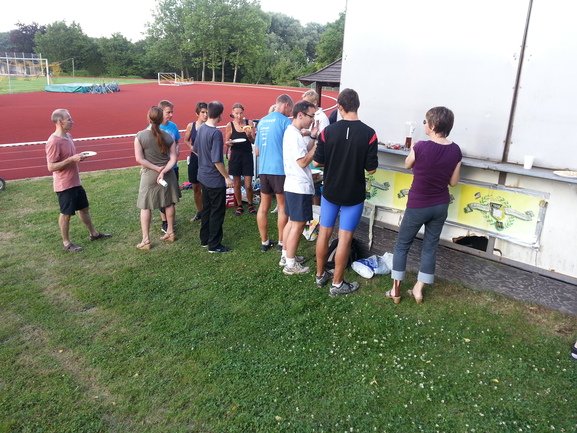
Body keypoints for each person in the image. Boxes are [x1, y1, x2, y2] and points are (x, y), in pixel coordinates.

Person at [387, 106, 462, 303]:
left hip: (418, 205)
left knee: (402, 245)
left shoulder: (420, 146)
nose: (424, 125)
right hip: (440, 205)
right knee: (430, 247)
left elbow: (407, 164)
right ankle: (418, 290)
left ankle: (395, 290)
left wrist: (414, 150)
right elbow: (453, 182)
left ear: (433, 126)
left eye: (425, 122)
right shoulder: (455, 150)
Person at [313, 89, 379, 296]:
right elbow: (372, 169)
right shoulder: (369, 133)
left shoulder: (327, 132)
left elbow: (317, 162)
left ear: (340, 107)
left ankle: (320, 275)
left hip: (330, 191)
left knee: (324, 233)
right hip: (353, 194)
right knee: (344, 239)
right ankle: (337, 283)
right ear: (357, 106)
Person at [45, 109, 112, 252]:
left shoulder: (68, 136)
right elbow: (51, 166)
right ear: (59, 121)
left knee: (84, 208)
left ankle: (93, 234)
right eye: (68, 119)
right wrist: (71, 159)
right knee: (66, 214)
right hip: (64, 184)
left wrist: (78, 156)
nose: (72, 121)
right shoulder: (53, 142)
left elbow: (69, 157)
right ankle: (66, 243)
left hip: (75, 181)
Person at [280, 100, 319, 275]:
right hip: (298, 186)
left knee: (291, 222)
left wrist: (313, 138)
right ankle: (290, 264)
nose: (312, 120)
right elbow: (303, 161)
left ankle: (286, 255)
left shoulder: (293, 133)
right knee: (298, 225)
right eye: (311, 116)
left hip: (292, 184)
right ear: (300, 115)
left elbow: (303, 152)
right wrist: (317, 148)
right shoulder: (294, 135)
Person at [134, 106, 181, 249]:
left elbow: (139, 159)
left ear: (148, 118)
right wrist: (164, 170)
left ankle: (145, 239)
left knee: (145, 207)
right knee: (169, 203)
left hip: (149, 175)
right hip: (168, 174)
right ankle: (170, 232)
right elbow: (174, 158)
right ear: (161, 119)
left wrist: (156, 169)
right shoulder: (168, 136)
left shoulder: (140, 136)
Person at [254, 94, 294, 252]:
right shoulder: (285, 122)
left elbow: (257, 151)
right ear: (285, 105)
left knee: (263, 206)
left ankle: (264, 242)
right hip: (279, 170)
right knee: (282, 206)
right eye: (290, 109)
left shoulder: (262, 121)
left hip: (264, 170)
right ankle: (281, 242)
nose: (290, 113)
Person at [196, 101, 234, 253]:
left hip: (203, 176)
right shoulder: (216, 133)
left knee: (207, 209)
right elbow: (217, 161)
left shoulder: (201, 128)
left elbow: (197, 149)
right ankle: (214, 244)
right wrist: (227, 177)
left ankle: (204, 239)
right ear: (220, 114)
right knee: (217, 212)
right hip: (214, 180)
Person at [224, 103, 256, 216]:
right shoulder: (230, 125)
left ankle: (250, 204)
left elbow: (253, 141)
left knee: (248, 185)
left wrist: (249, 135)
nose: (239, 116)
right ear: (232, 113)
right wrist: (229, 143)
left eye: (241, 113)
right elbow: (227, 141)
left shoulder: (249, 123)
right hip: (235, 156)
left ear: (243, 113)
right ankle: (239, 205)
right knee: (236, 184)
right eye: (236, 113)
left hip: (247, 155)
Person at [156, 100, 181, 233]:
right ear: (160, 112)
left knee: (171, 196)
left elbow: (177, 141)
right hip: (160, 168)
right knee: (162, 197)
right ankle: (164, 222)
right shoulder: (153, 129)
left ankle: (170, 220)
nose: (171, 115)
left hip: (173, 167)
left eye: (172, 112)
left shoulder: (173, 126)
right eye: (168, 112)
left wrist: (176, 149)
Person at [302, 89, 330, 206]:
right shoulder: (307, 115)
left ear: (314, 103)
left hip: (316, 154)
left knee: (316, 184)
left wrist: (309, 133)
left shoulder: (322, 117)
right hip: (307, 152)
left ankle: (316, 209)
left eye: (306, 103)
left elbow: (325, 138)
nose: (304, 106)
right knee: (310, 183)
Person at [184, 101, 208, 222]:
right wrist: (192, 147)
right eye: (202, 112)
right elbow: (186, 140)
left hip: (206, 161)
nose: (205, 115)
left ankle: (207, 211)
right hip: (194, 160)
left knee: (206, 187)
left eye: (207, 112)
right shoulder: (191, 126)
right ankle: (199, 211)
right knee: (196, 187)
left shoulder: (210, 127)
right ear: (197, 113)